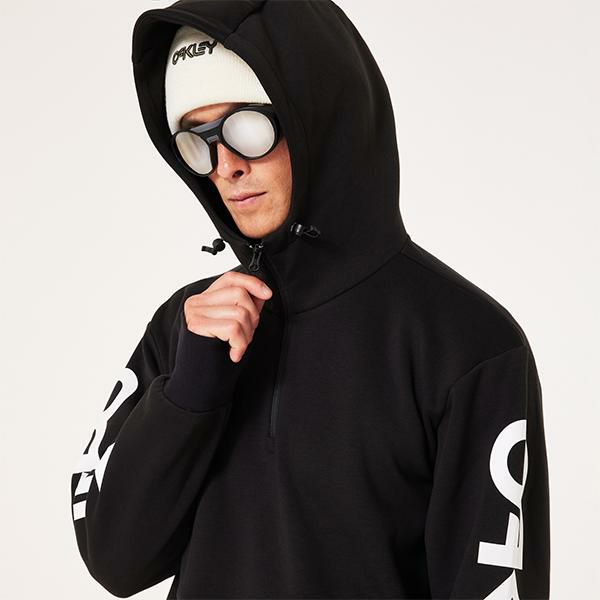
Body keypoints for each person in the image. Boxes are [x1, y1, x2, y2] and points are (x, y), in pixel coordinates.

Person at [70, 2, 551, 599]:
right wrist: (190, 393)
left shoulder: (467, 343)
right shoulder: (189, 325)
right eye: (198, 141)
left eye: (246, 127)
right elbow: (116, 562)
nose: (225, 167)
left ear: (319, 117)